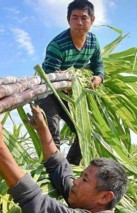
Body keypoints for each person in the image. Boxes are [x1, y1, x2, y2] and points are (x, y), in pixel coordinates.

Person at [36, 0, 104, 165]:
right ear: (68, 20)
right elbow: (52, 76)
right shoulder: (57, 45)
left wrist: (99, 77)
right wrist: (72, 84)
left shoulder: (93, 42)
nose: (79, 22)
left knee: (85, 132)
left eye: (84, 18)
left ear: (92, 20)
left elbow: (98, 64)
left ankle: (70, 168)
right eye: (75, 18)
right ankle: (53, 174)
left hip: (69, 93)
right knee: (52, 136)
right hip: (48, 92)